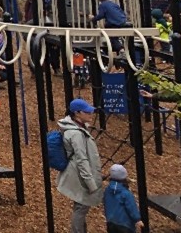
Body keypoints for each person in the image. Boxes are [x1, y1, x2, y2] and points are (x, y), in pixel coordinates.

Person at [57, 98, 104, 233]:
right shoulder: (75, 134)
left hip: (77, 174)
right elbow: (81, 160)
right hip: (80, 176)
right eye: (87, 112)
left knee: (80, 206)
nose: (91, 114)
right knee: (81, 208)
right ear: (77, 113)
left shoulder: (78, 128)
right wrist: (90, 183)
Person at [103, 164, 143, 233]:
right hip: (125, 225)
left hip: (111, 223)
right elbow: (131, 207)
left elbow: (106, 203)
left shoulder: (107, 190)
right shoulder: (126, 193)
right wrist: (137, 219)